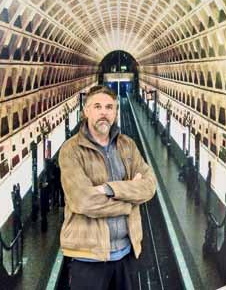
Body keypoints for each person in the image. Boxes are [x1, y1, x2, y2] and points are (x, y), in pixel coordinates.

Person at [59, 85, 157, 290]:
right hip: (87, 257)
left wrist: (109, 189)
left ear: (115, 112)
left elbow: (149, 186)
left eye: (109, 107)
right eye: (97, 106)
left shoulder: (128, 145)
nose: (104, 112)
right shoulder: (71, 150)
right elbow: (84, 201)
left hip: (126, 252)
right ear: (86, 111)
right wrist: (128, 201)